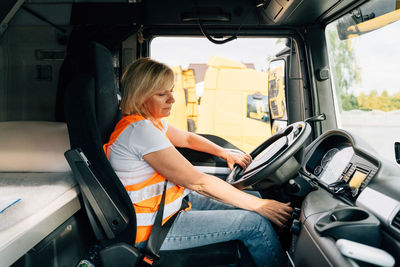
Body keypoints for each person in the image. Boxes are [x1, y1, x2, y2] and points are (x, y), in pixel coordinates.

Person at [104, 58, 293, 267]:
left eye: (171, 91)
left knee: (253, 197)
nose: (172, 100)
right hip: (153, 228)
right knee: (255, 223)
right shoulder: (139, 131)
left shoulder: (148, 124)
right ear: (140, 97)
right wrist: (261, 207)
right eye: (162, 94)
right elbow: (198, 182)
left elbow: (187, 138)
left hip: (170, 208)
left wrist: (224, 152)